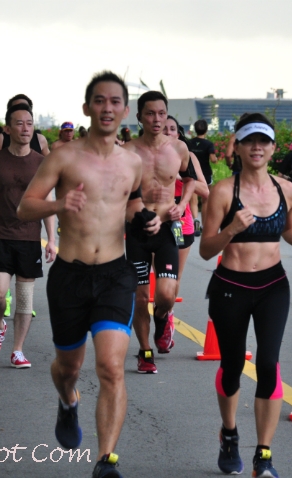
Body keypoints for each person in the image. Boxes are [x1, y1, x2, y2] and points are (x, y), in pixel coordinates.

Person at [17, 71, 159, 478]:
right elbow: (25, 207)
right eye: (99, 100)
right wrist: (58, 205)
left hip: (115, 275)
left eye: (115, 101)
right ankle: (68, 401)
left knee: (112, 367)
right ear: (87, 108)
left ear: (125, 110)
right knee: (69, 369)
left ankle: (106, 460)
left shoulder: (133, 162)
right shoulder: (64, 157)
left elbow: (131, 204)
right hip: (70, 276)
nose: (107, 108)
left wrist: (146, 219)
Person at [199, 112, 292, 478]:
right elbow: (205, 249)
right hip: (230, 287)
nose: (257, 147)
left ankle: (264, 455)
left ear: (273, 148)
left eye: (264, 141)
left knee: (269, 363)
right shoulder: (224, 192)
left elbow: (289, 229)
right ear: (237, 147)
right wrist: (231, 230)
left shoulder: (288, 190)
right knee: (232, 365)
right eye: (250, 141)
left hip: (273, 286)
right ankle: (229, 434)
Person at [0, 104, 56, 368]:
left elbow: (47, 202)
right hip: (0, 236)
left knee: (24, 300)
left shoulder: (41, 163)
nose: (25, 128)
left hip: (30, 238)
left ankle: (18, 350)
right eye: (19, 123)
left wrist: (52, 239)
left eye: (29, 123)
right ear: (8, 129)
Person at [123, 90, 197, 373]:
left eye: (162, 113)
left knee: (166, 294)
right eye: (150, 113)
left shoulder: (178, 148)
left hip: (167, 228)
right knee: (141, 297)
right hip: (138, 231)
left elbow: (190, 179)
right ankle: (145, 352)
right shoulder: (127, 152)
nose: (157, 119)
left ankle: (163, 317)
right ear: (139, 117)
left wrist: (182, 204)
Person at [163, 116, 209, 299]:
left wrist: (181, 175)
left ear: (178, 133)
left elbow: (205, 190)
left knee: (174, 276)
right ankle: (160, 311)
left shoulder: (189, 157)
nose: (167, 133)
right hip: (155, 220)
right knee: (159, 276)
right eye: (163, 128)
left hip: (180, 223)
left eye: (172, 129)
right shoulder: (145, 155)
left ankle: (167, 312)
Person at [187, 119, 217, 233]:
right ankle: (204, 225)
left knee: (193, 201)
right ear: (206, 130)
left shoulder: (189, 143)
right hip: (206, 175)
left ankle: (196, 222)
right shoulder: (208, 144)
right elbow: (213, 159)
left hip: (192, 173)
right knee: (205, 201)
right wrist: (215, 159)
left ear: (195, 129)